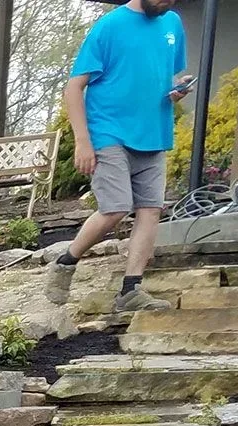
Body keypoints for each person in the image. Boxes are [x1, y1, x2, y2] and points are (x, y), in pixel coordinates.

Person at [45, 0, 194, 313]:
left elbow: (164, 75)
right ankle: (66, 261)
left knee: (150, 210)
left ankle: (131, 290)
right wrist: (83, 141)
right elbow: (74, 87)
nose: (169, 2)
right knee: (115, 208)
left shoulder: (172, 24)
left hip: (154, 133)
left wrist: (177, 88)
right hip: (110, 132)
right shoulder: (109, 26)